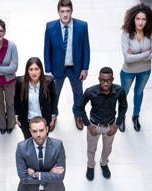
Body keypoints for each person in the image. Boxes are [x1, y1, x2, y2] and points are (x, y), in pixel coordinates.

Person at [44, 0, 90, 130]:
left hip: (75, 68)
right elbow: (47, 49)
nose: (65, 14)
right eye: (62, 11)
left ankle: (78, 115)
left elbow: (86, 48)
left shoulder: (82, 26)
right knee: (54, 94)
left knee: (78, 93)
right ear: (58, 12)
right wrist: (48, 70)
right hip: (57, 69)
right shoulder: (50, 27)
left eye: (67, 11)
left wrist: (85, 68)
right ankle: (53, 115)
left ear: (71, 11)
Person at [80, 67, 127, 181]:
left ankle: (104, 163)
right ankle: (90, 166)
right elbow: (81, 107)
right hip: (94, 126)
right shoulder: (90, 91)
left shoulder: (119, 91)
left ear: (113, 79)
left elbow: (123, 107)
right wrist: (88, 125)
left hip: (110, 127)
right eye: (102, 80)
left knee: (107, 148)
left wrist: (116, 125)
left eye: (108, 80)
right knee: (91, 149)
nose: (105, 83)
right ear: (99, 79)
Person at [120, 3, 152, 132]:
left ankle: (135, 117)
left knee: (139, 93)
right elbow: (127, 58)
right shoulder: (126, 34)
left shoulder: (151, 33)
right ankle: (121, 117)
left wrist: (136, 54)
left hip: (145, 71)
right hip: (128, 71)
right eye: (138, 19)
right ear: (133, 19)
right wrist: (147, 53)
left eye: (143, 19)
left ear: (148, 20)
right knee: (123, 95)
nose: (140, 22)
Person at [14, 57, 58, 140]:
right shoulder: (20, 82)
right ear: (27, 71)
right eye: (31, 69)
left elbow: (54, 100)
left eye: (36, 69)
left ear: (41, 70)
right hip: (27, 120)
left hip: (43, 119)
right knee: (28, 141)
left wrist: (53, 116)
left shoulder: (49, 82)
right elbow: (16, 99)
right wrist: (16, 114)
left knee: (43, 140)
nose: (34, 72)